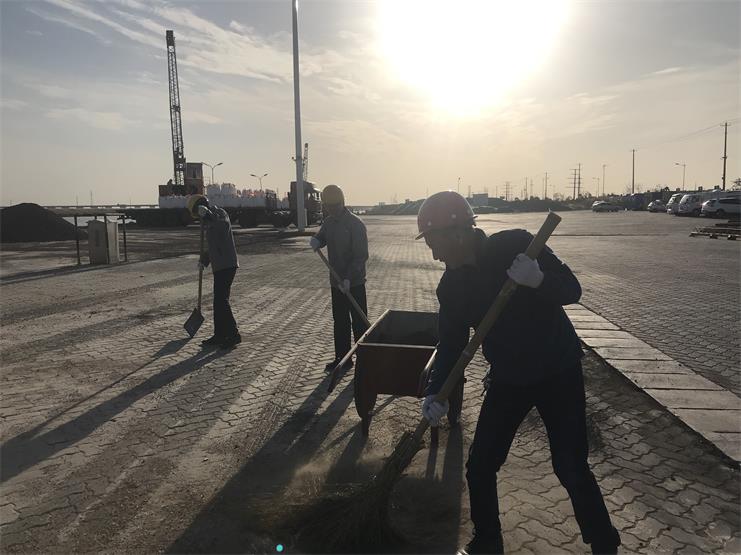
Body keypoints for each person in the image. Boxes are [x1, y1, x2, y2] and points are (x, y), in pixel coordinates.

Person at [417, 191, 620, 555]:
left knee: (570, 466)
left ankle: (604, 544)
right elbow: (450, 344)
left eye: (435, 244)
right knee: (480, 465)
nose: (434, 255)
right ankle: (487, 542)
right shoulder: (452, 286)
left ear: (458, 233)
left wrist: (539, 279)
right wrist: (436, 391)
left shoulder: (516, 246)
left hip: (557, 370)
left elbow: (572, 289)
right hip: (509, 377)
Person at [309, 184, 369, 372]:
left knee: (359, 323)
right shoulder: (329, 222)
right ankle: (342, 358)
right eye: (328, 207)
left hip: (355, 283)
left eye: (335, 206)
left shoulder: (355, 224)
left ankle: (365, 360)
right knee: (340, 321)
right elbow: (322, 236)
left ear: (342, 202)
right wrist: (317, 240)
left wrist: (349, 278)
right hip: (336, 283)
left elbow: (361, 256)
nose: (332, 210)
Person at [187, 194, 241, 349]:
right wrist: (204, 261)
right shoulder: (207, 223)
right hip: (219, 266)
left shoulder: (219, 213)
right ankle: (220, 335)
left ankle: (233, 334)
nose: (199, 218)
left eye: (198, 214)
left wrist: (209, 215)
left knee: (221, 301)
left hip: (228, 264)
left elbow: (222, 227)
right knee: (218, 302)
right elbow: (212, 246)